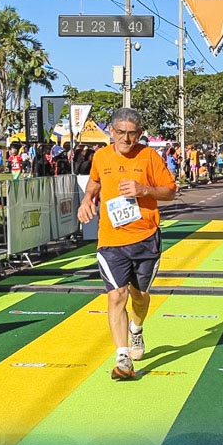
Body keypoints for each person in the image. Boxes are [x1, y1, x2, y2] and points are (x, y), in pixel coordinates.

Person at [76, 108, 176, 381]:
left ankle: (137, 328)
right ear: (111, 132)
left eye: (132, 134)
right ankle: (122, 357)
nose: (126, 139)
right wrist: (87, 200)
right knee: (116, 295)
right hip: (111, 240)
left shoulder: (149, 156)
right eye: (121, 133)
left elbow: (170, 190)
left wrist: (144, 190)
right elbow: (94, 183)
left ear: (140, 134)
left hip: (145, 237)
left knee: (139, 296)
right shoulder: (101, 156)